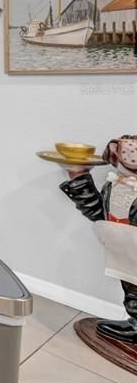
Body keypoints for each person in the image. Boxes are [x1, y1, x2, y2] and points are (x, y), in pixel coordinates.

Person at [58, 135, 137, 343]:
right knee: (130, 285)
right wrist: (77, 176)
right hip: (122, 246)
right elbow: (97, 211)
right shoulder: (113, 185)